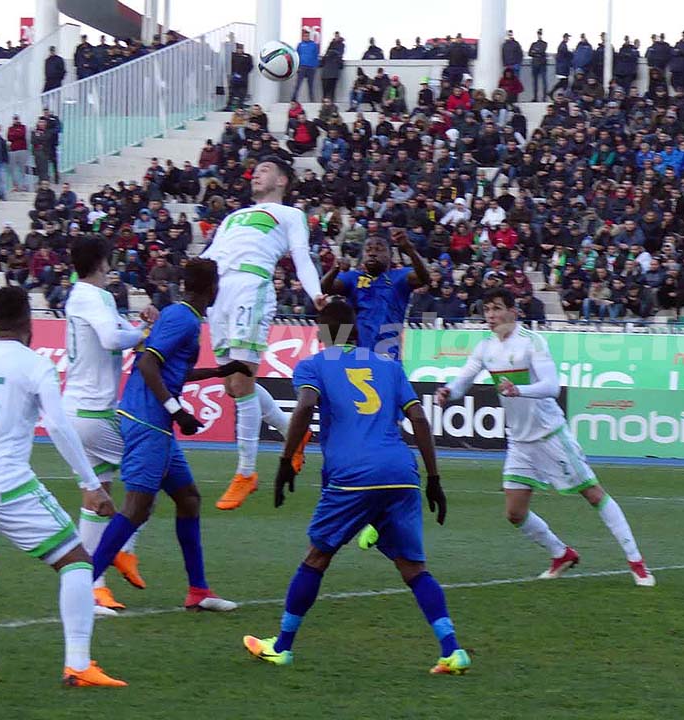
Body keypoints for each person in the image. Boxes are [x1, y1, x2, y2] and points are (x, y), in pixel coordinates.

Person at [242, 300, 468, 675]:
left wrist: (285, 461)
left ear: (321, 331)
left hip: (353, 476)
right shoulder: (388, 366)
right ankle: (452, 650)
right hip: (401, 472)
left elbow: (304, 407)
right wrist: (435, 480)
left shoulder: (315, 365)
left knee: (316, 557)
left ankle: (281, 646)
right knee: (413, 567)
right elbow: (419, 419)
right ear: (355, 330)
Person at [0, 287, 125, 687]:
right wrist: (90, 484)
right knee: (75, 560)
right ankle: (78, 663)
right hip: (6, 485)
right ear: (30, 325)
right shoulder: (35, 365)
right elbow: (57, 425)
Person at [437, 288, 655, 587]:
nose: (491, 315)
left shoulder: (532, 342)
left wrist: (519, 389)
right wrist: (449, 392)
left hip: (550, 433)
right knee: (514, 513)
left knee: (593, 493)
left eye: (497, 308)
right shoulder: (485, 347)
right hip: (520, 441)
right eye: (486, 309)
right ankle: (561, 553)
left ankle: (637, 562)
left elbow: (551, 386)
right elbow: (464, 380)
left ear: (514, 311)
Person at [88, 259, 242, 612]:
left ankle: (198, 591)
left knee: (188, 498)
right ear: (212, 288)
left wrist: (220, 371)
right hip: (148, 420)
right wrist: (179, 412)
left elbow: (172, 371)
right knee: (136, 508)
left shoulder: (183, 316)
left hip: (155, 422)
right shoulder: (183, 318)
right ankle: (85, 588)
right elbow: (146, 364)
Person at [202, 159, 323, 511]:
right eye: (254, 169)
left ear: (283, 180)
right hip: (219, 294)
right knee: (233, 385)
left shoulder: (288, 214)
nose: (256, 173)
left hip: (251, 287)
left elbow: (301, 257)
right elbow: (210, 256)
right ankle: (294, 433)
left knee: (240, 381)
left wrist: (315, 294)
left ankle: (246, 472)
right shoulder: (232, 217)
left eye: (265, 169)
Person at [63, 236, 160, 614]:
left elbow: (118, 331)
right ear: (103, 262)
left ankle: (93, 586)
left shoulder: (78, 296)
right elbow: (110, 338)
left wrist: (140, 324)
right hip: (94, 413)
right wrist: (144, 335)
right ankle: (123, 548)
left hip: (77, 410)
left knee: (97, 496)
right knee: (156, 472)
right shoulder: (97, 296)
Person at [320, 229, 430, 360]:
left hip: (388, 350)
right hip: (356, 350)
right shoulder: (352, 277)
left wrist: (410, 250)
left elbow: (424, 278)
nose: (372, 253)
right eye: (368, 250)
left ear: (390, 254)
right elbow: (325, 288)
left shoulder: (400, 276)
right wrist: (335, 269)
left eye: (379, 249)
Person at [291, 30, 320, 102]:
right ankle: (293, 99)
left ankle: (312, 100)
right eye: (304, 36)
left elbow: (316, 56)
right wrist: (297, 67)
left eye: (307, 36)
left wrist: (315, 66)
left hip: (311, 67)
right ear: (303, 37)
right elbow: (296, 56)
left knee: (311, 85)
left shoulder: (314, 45)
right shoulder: (300, 45)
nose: (306, 37)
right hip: (302, 67)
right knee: (298, 84)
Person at [228, 43, 254, 109]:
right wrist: (233, 73)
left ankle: (239, 106)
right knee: (232, 92)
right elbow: (230, 65)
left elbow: (250, 66)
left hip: (243, 78)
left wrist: (244, 73)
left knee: (242, 93)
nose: (239, 50)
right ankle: (229, 105)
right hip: (235, 77)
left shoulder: (247, 56)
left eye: (240, 49)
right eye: (238, 48)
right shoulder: (233, 56)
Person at [528, 29, 548, 101]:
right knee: (535, 82)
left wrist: (535, 52)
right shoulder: (533, 44)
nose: (539, 35)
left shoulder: (544, 43)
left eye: (540, 33)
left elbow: (542, 51)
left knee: (544, 81)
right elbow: (529, 53)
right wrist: (537, 53)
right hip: (535, 64)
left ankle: (544, 97)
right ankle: (535, 97)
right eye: (538, 33)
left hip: (542, 64)